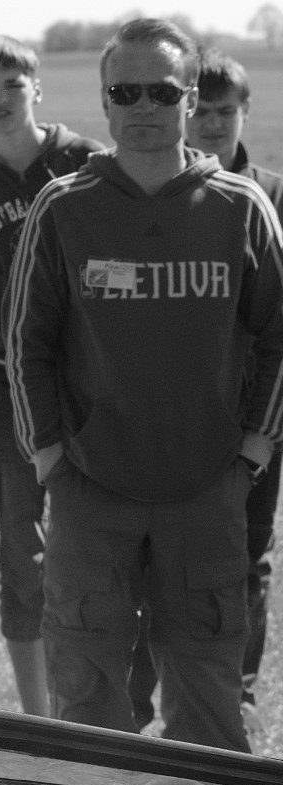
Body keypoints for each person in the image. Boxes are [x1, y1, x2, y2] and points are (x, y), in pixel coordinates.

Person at [4, 18, 283, 785]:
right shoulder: (65, 207)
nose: (142, 107)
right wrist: (50, 456)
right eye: (124, 91)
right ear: (104, 99)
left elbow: (278, 335)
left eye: (160, 91)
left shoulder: (240, 207)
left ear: (190, 98)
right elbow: (26, 344)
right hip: (91, 493)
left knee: (207, 701)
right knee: (89, 696)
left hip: (207, 493)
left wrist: (253, 448)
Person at [0, 28, 103, 721]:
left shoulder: (86, 162)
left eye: (13, 84)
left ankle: (99, 703)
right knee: (23, 557)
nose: (1, 98)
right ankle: (38, 720)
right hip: (10, 395)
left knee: (101, 543)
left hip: (91, 389)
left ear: (39, 88)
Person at [128, 46, 283, 738]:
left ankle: (233, 696)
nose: (215, 123)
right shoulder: (169, 194)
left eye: (227, 110)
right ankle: (143, 701)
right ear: (186, 109)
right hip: (176, 421)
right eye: (205, 110)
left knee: (246, 558)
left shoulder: (271, 195)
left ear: (245, 111)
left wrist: (261, 434)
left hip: (258, 422)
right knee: (153, 561)